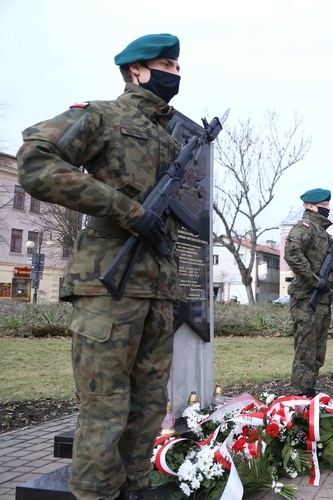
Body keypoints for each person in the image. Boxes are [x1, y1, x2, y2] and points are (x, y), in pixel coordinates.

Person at [16, 34, 183, 500]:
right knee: (106, 409)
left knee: (149, 408)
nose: (175, 73)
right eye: (165, 64)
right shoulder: (101, 115)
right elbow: (35, 161)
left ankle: (133, 488)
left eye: (176, 64)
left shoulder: (167, 138)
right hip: (107, 285)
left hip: (156, 289)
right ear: (136, 70)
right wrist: (125, 209)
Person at [283, 188, 333, 398]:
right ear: (311, 206)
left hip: (321, 301)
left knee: (317, 354)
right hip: (306, 300)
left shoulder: (321, 231)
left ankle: (309, 392)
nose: (328, 209)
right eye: (324, 206)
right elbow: (292, 253)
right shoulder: (305, 227)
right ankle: (299, 396)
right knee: (305, 353)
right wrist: (315, 281)